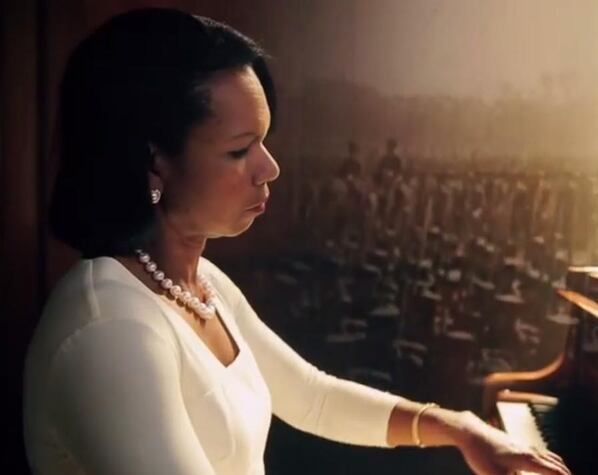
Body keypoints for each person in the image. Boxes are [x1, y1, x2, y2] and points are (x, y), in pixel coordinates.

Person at [22, 8, 570, 475]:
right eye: (240, 150)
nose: (270, 168)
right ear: (154, 160)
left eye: (264, 142)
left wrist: (458, 427)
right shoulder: (113, 331)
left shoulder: (201, 282)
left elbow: (312, 397)